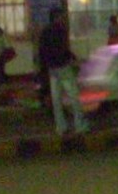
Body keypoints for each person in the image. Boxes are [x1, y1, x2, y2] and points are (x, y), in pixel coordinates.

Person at [38, 7, 88, 136]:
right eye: (61, 17)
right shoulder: (61, 30)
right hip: (63, 68)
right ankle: (80, 125)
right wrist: (73, 59)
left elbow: (42, 53)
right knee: (74, 96)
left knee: (56, 100)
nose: (63, 19)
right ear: (57, 17)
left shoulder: (44, 32)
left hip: (52, 70)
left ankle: (61, 127)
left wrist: (45, 70)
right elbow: (63, 50)